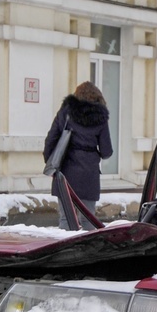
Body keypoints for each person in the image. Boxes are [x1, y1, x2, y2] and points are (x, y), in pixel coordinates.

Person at [43, 81, 113, 229]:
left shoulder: (66, 113)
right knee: (89, 220)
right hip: (89, 174)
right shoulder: (101, 118)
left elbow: (51, 139)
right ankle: (88, 250)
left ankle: (65, 250)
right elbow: (107, 151)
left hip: (65, 172)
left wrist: (51, 164)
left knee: (66, 219)